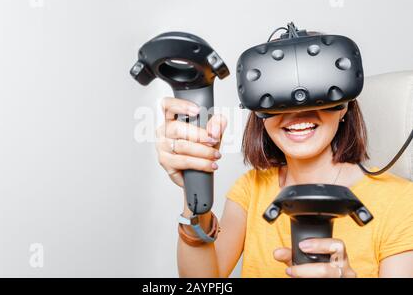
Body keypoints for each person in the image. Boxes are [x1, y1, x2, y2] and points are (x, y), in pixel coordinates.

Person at [155, 97, 413, 278]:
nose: (297, 111)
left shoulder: (401, 202)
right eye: (279, 97)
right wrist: (194, 189)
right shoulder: (250, 188)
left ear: (344, 104)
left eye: (316, 94)